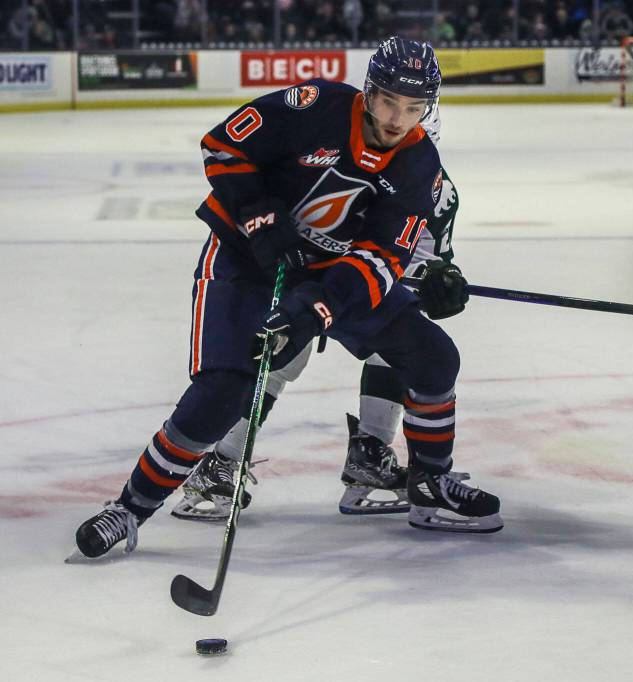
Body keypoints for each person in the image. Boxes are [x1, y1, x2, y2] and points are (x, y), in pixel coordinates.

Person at [73, 36, 503, 560]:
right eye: (390, 101)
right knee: (226, 391)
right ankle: (130, 508)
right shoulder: (314, 107)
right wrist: (260, 216)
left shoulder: (419, 166)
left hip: (327, 275)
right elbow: (224, 145)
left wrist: (322, 303)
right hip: (246, 261)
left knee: (434, 356)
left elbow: (381, 259)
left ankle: (429, 485)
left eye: (413, 109)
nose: (397, 119)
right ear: (369, 92)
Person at [172, 113, 464, 521]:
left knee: (401, 340)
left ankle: (371, 451)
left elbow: (417, 262)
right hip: (301, 270)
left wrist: (438, 282)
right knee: (280, 353)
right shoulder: (339, 144)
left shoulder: (431, 185)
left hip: (354, 285)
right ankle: (223, 460)